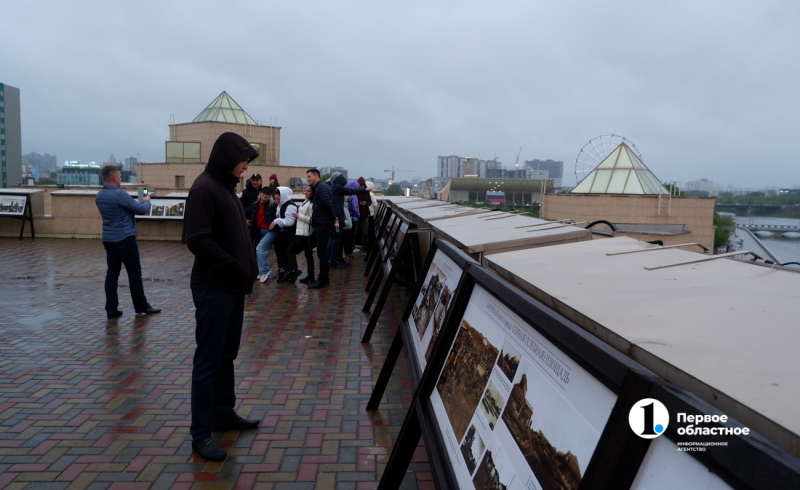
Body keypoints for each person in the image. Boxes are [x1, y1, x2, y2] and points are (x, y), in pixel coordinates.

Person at [184, 132, 261, 462]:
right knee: (208, 360)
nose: (246, 167)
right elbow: (197, 240)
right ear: (229, 159)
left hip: (231, 288)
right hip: (215, 289)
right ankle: (201, 434)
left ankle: (223, 413)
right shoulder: (204, 188)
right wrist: (233, 266)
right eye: (243, 160)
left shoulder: (225, 188)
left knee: (226, 354)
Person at [95, 165, 161, 319]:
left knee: (112, 274)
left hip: (109, 239)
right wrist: (146, 201)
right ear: (115, 178)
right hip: (124, 239)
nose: (121, 179)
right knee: (134, 273)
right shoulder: (120, 194)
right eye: (119, 176)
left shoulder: (100, 196)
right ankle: (141, 306)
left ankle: (111, 309)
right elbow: (140, 210)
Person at [328, 172, 366, 269]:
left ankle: (335, 259)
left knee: (336, 241)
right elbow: (351, 191)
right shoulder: (337, 187)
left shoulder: (335, 188)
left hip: (338, 218)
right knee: (336, 241)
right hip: (338, 218)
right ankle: (333, 261)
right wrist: (365, 190)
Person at [306, 168, 336, 289]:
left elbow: (327, 203)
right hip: (321, 223)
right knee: (320, 251)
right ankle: (324, 278)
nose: (308, 179)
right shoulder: (319, 187)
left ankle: (322, 280)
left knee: (322, 252)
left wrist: (333, 218)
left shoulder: (321, 187)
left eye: (309, 176)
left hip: (323, 224)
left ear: (316, 176)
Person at [245, 187, 278, 282]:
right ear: (260, 193)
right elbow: (242, 210)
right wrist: (245, 219)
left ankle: (265, 271)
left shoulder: (273, 205)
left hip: (271, 231)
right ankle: (260, 271)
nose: (264, 195)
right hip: (260, 232)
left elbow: (281, 212)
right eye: (263, 193)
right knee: (258, 251)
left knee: (260, 249)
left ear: (270, 196)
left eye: (267, 194)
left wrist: (276, 221)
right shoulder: (255, 205)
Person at [286, 184, 315, 283]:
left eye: (308, 191)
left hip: (304, 234)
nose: (305, 192)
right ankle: (311, 276)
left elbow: (312, 220)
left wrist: (299, 216)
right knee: (308, 255)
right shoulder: (307, 201)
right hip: (303, 232)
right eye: (305, 190)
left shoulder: (312, 204)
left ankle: (295, 270)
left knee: (290, 250)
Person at [270, 186, 298, 283]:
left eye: (279, 195)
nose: (277, 197)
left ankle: (288, 270)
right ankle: (285, 270)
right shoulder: (281, 205)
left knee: (284, 251)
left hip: (289, 234)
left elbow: (290, 221)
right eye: (276, 195)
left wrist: (276, 221)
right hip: (284, 233)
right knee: (281, 251)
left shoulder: (290, 205)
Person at [343, 181, 361, 258]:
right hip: (352, 219)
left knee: (347, 237)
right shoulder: (353, 196)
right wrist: (358, 216)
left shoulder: (347, 194)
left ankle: (348, 252)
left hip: (347, 218)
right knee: (350, 236)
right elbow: (355, 208)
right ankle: (349, 252)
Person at [354, 177, 371, 251]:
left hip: (364, 215)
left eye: (362, 185)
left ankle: (365, 248)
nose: (361, 186)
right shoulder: (355, 192)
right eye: (360, 185)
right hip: (357, 215)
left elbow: (370, 202)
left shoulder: (366, 192)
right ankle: (352, 248)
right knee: (354, 233)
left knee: (365, 233)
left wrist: (366, 203)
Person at [364, 181, 378, 256]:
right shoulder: (371, 194)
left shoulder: (364, 193)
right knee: (370, 232)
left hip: (366, 215)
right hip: (371, 214)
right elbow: (375, 204)